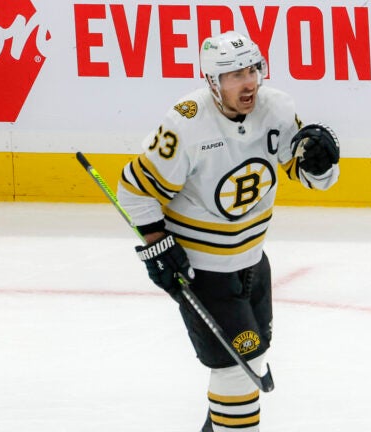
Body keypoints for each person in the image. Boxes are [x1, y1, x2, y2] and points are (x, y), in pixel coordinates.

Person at [116, 30, 340, 431]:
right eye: (234, 74)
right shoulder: (184, 124)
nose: (248, 81)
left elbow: (310, 177)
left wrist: (322, 164)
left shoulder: (278, 109)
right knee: (237, 370)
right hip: (203, 271)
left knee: (250, 357)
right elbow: (133, 191)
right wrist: (157, 246)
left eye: (252, 69)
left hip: (253, 262)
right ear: (212, 83)